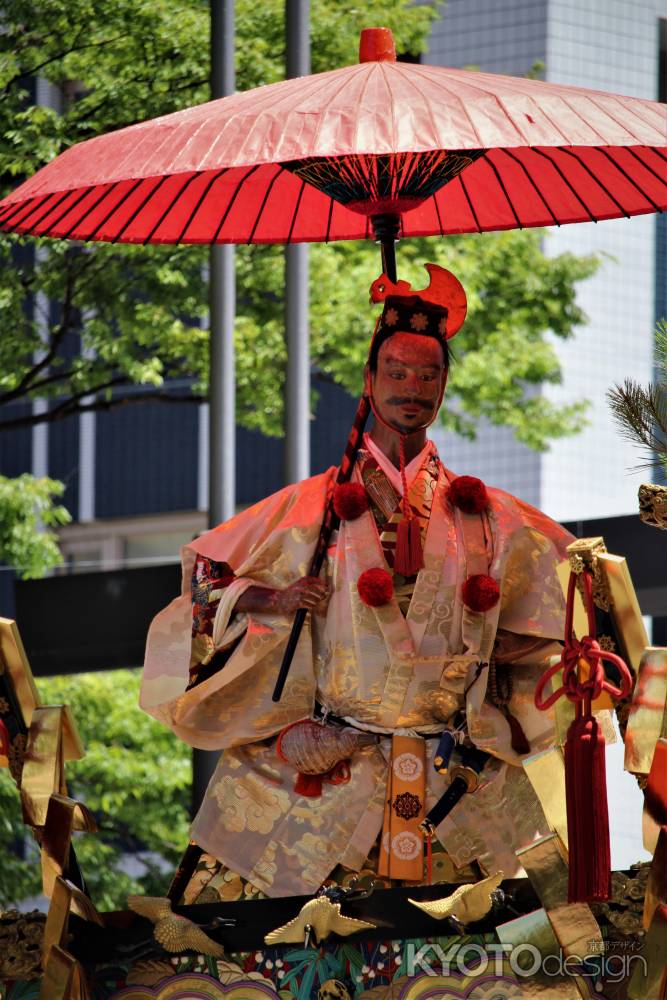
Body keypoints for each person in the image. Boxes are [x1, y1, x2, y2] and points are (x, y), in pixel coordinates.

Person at [141, 264, 573, 901]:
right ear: (368, 383)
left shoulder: (486, 518)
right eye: (396, 372)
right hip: (330, 763)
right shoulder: (309, 510)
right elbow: (204, 585)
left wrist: (508, 648)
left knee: (518, 953)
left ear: (445, 387)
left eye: (428, 375)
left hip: (454, 771)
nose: (412, 388)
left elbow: (569, 597)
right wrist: (270, 597)